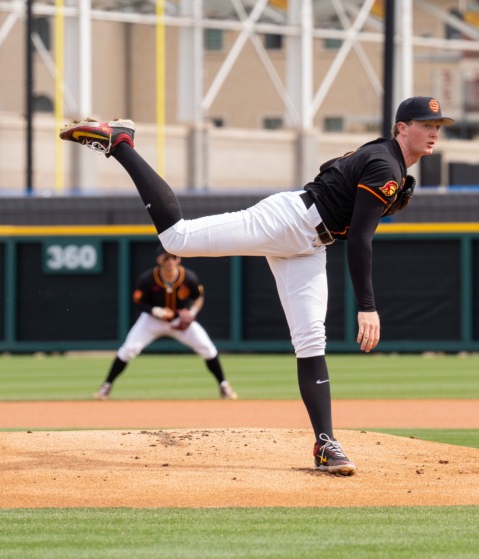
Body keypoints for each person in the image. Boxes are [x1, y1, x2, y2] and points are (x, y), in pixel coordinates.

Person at [60, 95, 453, 475]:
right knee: (176, 239)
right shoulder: (387, 166)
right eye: (425, 125)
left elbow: (329, 169)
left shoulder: (385, 158)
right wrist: (366, 305)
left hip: (312, 244)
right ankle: (121, 142)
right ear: (402, 128)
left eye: (437, 126)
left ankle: (325, 443)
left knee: (311, 340)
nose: (434, 132)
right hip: (289, 220)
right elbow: (363, 238)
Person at [95, 245, 238, 401]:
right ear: (159, 260)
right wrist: (155, 311)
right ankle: (106, 387)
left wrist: (192, 313)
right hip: (152, 321)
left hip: (179, 320)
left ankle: (224, 386)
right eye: (166, 257)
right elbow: (138, 301)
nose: (170, 261)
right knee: (128, 349)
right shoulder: (148, 279)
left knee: (207, 348)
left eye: (173, 257)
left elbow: (198, 297)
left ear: (179, 259)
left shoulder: (188, 277)